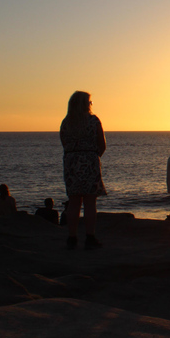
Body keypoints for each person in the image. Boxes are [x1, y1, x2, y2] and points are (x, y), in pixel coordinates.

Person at [60, 91, 106, 250]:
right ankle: (90, 236)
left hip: (71, 162)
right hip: (89, 161)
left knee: (73, 201)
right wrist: (92, 157)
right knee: (90, 202)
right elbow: (102, 144)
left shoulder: (66, 122)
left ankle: (72, 237)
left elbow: (64, 143)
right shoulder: (93, 121)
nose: (91, 105)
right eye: (89, 102)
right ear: (84, 104)